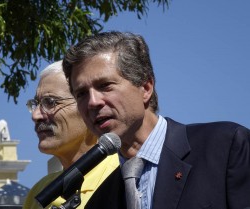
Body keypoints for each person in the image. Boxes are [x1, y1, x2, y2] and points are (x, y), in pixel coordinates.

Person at [62, 31, 250, 209]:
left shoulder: (225, 147)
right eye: (81, 94)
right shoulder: (100, 201)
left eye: (105, 86)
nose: (92, 102)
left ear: (145, 87)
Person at [23, 60, 119, 209]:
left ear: (86, 106)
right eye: (36, 104)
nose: (36, 115)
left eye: (50, 102)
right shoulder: (40, 192)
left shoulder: (121, 175)